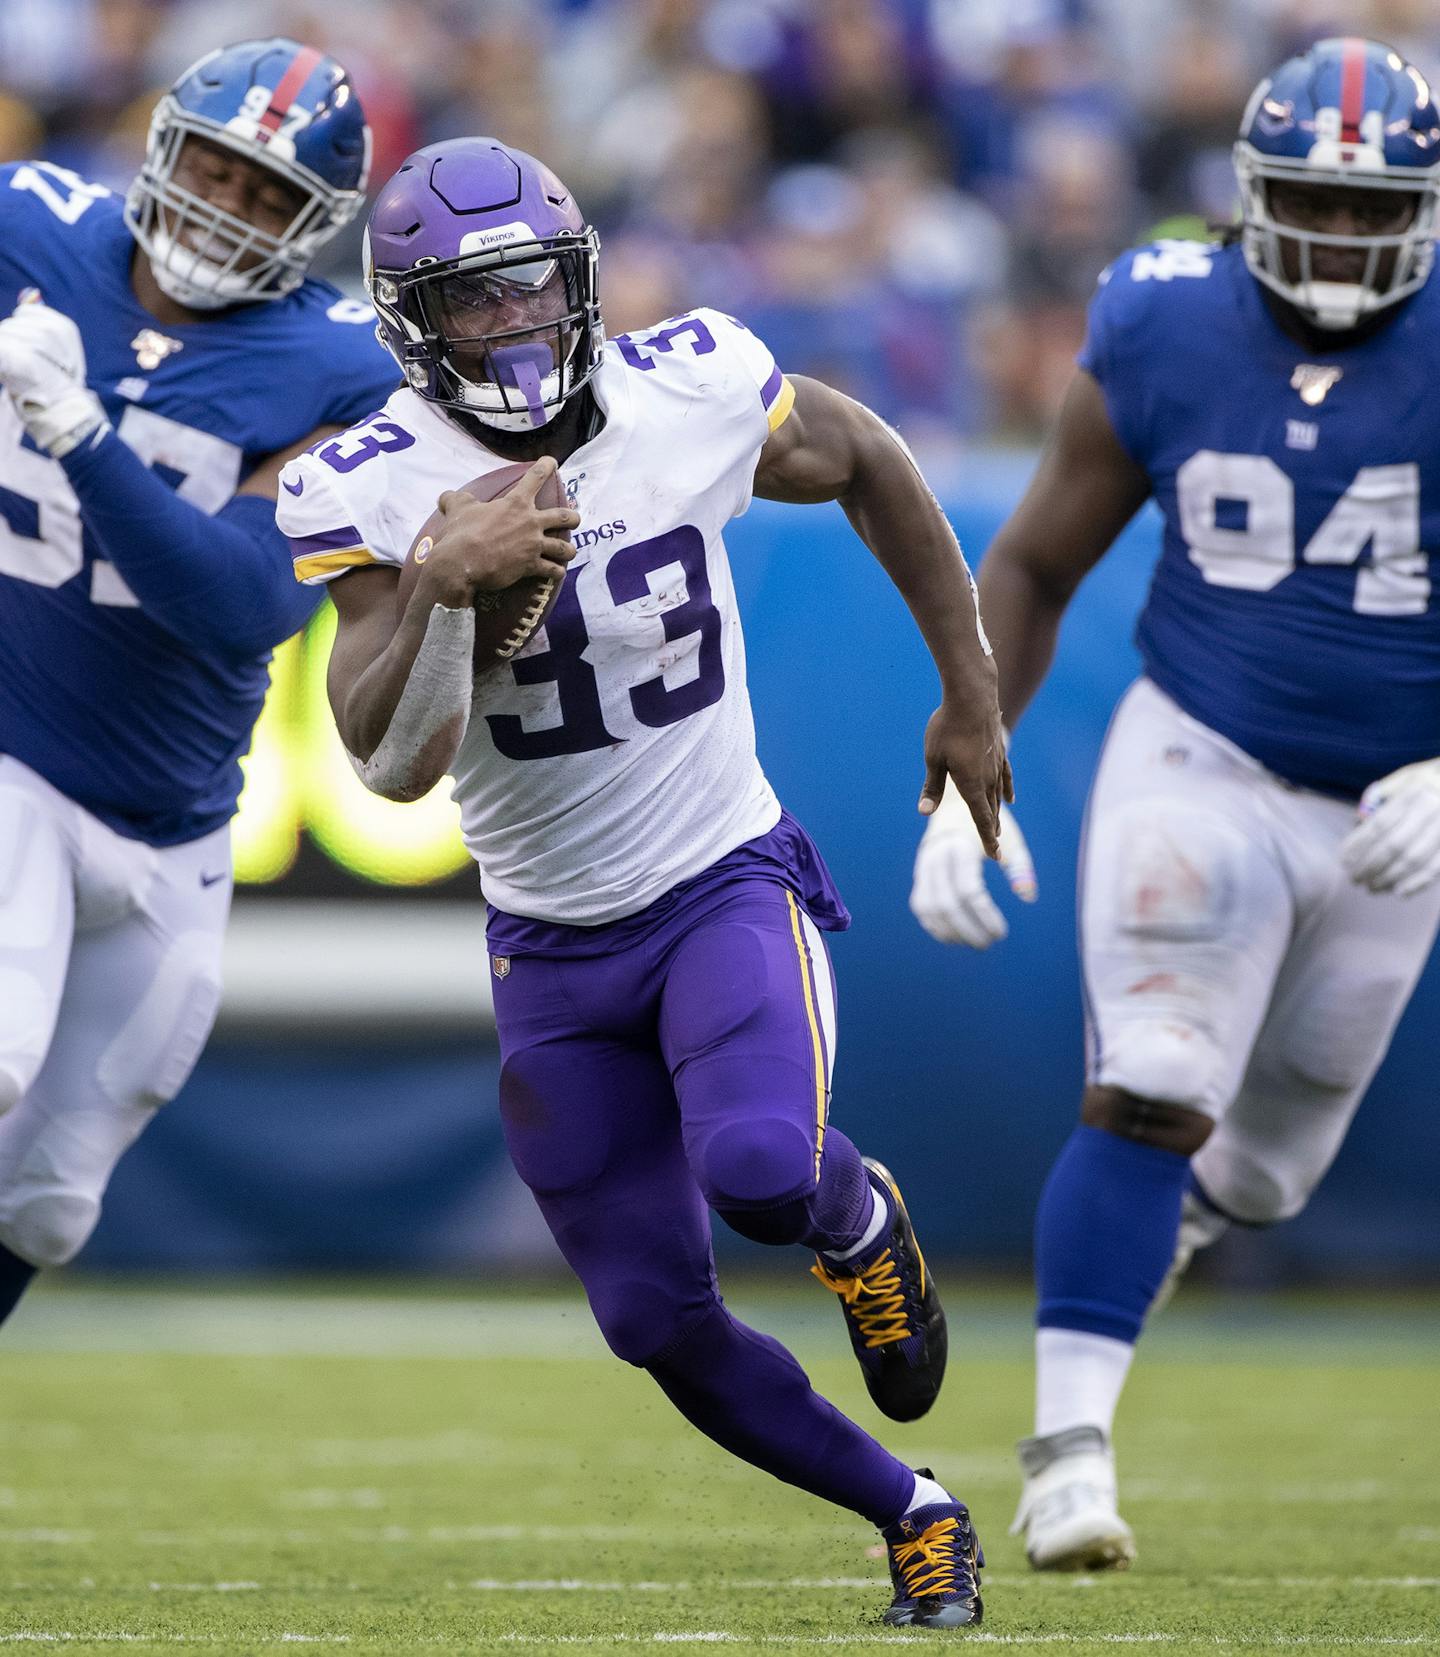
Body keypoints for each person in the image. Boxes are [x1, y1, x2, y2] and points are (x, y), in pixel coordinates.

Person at [278, 135, 1008, 1630]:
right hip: (547, 941)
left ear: (585, 279)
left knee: (756, 1170)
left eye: (533, 289)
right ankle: (916, 1513)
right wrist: (436, 580)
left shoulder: (691, 388)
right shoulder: (371, 480)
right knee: (648, 1319)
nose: (514, 328)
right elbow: (388, 760)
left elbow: (863, 452)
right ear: (412, 326)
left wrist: (972, 690)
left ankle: (855, 1214)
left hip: (716, 880)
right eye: (471, 306)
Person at [909, 35, 1440, 1571]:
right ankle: (1068, 1451)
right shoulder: (1166, 318)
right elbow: (1033, 561)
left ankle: (1146, 1221)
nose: (1339, 239)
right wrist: (969, 770)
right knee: (1151, 1072)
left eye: (1371, 209)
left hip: (1395, 809)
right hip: (1202, 747)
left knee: (1264, 1169)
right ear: (1250, 197)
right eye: (1311, 205)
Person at [0, 40, 398, 1326]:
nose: (228, 207)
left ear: (314, 226)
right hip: (15, 761)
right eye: (219, 169)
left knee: (50, 1201)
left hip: (173, 824)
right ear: (167, 143)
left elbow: (240, 607)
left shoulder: (342, 368)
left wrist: (76, 434)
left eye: (269, 195)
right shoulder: (30, 226)